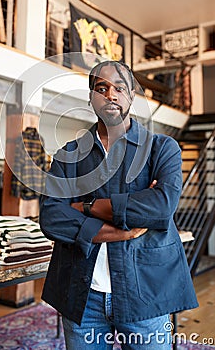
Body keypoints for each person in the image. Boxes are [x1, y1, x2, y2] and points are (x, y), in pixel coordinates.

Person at [39, 60, 198, 349]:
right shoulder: (68, 155)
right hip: (81, 296)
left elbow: (161, 207)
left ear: (131, 96)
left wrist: (85, 207)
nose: (110, 94)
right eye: (101, 88)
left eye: (119, 88)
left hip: (147, 294)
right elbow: (51, 216)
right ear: (91, 98)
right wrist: (123, 230)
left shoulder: (162, 149)